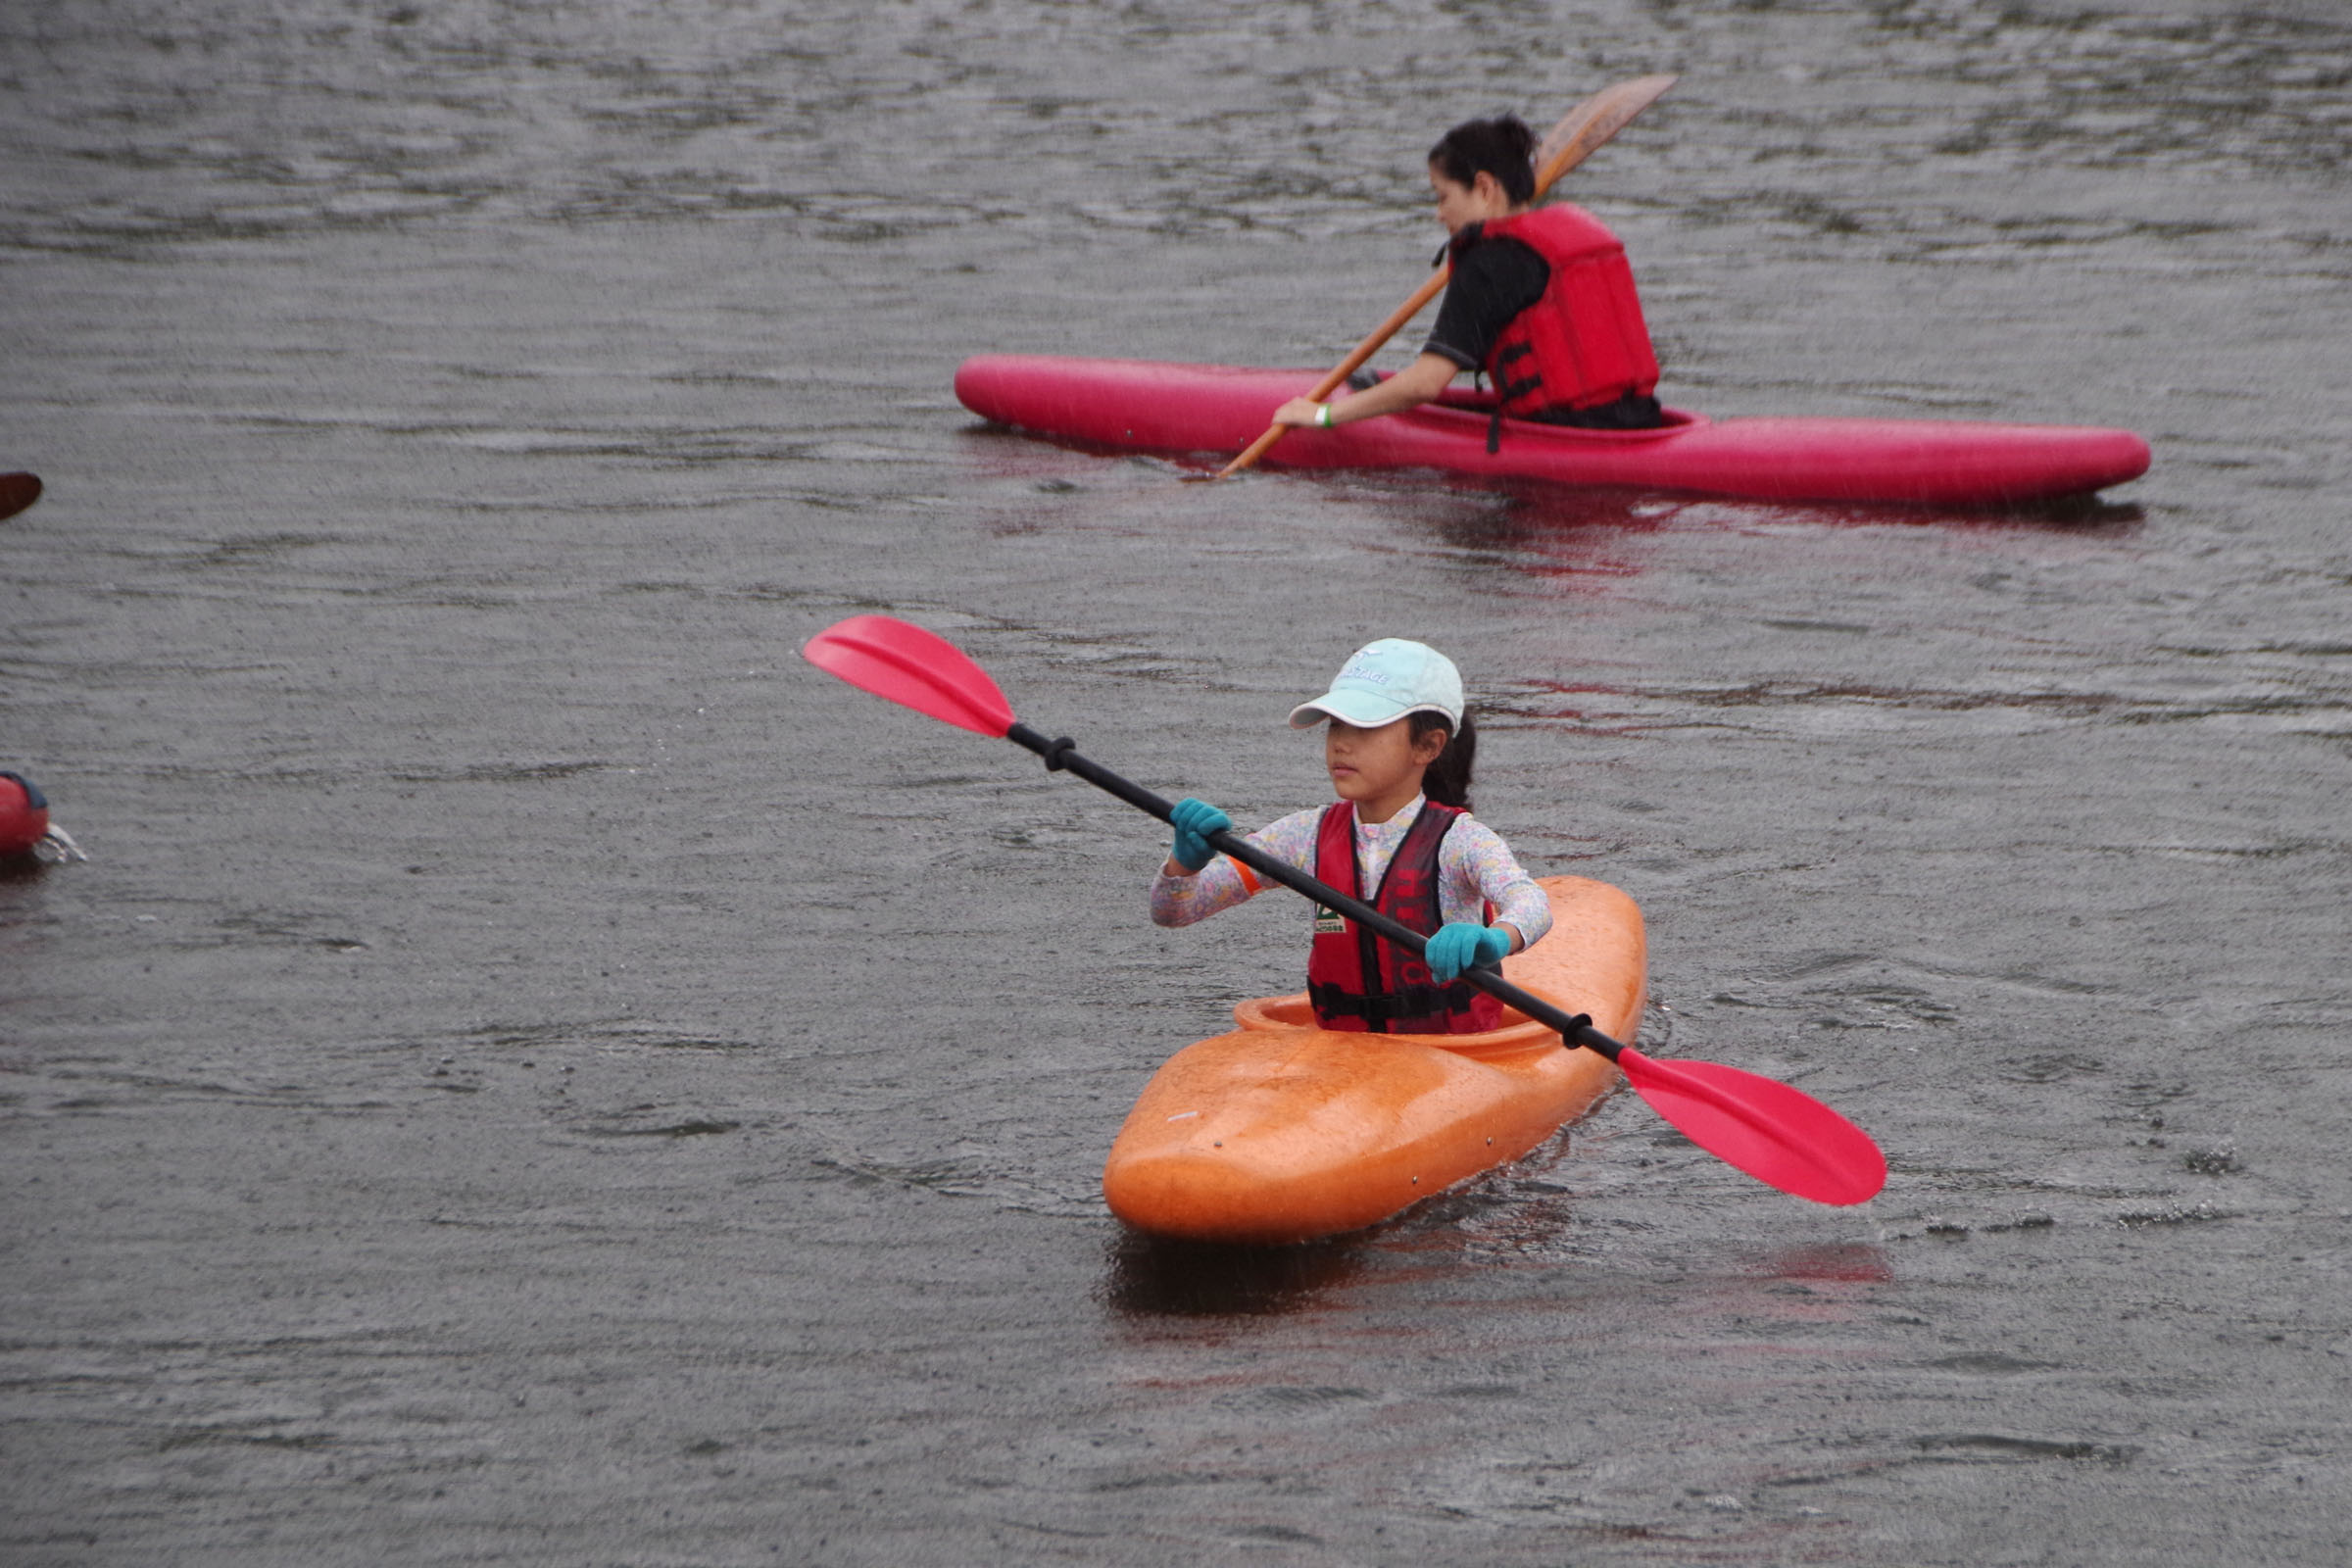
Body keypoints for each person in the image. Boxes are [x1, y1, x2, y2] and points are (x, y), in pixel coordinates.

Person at [1150, 639, 1551, 1036]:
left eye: (1365, 727)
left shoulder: (1460, 841)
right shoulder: (1302, 836)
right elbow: (1175, 912)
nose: (1341, 742)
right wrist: (1183, 864)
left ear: (1427, 746)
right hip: (1342, 1053)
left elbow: (1532, 904)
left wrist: (1494, 939)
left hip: (1451, 1054)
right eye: (1337, 725)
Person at [1271, 115, 1663, 451]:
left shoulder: (1488, 263)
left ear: (1485, 188)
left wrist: (1324, 414)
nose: (1439, 214)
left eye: (1443, 197)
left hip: (1565, 440)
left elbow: (1425, 384)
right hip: (1640, 420)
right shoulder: (1568, 234)